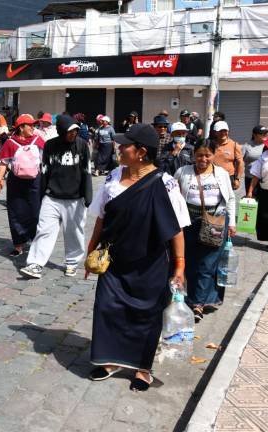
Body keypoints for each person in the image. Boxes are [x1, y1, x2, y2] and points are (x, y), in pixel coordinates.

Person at [86, 123, 190, 392]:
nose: (119, 148)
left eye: (125, 146)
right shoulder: (113, 177)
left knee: (146, 315)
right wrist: (91, 251)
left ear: (142, 152)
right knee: (107, 307)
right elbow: (101, 218)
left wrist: (180, 266)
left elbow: (177, 229)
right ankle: (110, 359)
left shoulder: (165, 184)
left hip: (150, 263)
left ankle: (143, 368)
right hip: (114, 260)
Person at [21, 115, 92, 279]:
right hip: (52, 197)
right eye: (69, 131)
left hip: (75, 198)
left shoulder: (82, 145)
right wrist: (42, 195)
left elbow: (87, 171)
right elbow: (45, 171)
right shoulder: (50, 145)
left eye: (75, 130)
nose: (73, 134)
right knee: (44, 231)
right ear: (61, 131)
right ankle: (35, 263)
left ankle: (72, 263)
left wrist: (87, 195)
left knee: (74, 232)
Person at [174, 141, 236, 321]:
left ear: (214, 155)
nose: (203, 159)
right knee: (189, 262)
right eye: (200, 155)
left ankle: (198, 304)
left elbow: (231, 198)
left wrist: (231, 223)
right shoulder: (183, 172)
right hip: (187, 222)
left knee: (207, 264)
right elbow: (173, 197)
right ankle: (188, 297)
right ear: (194, 155)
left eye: (207, 155)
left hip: (214, 222)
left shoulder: (222, 174)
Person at [0, 114, 44, 256]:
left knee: (35, 212)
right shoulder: (10, 143)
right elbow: (4, 162)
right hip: (16, 182)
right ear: (21, 128)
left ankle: (35, 240)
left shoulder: (38, 140)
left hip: (35, 181)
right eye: (30, 125)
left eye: (34, 125)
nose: (33, 128)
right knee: (15, 212)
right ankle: (18, 244)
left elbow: (46, 160)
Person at [211, 121, 243, 191]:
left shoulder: (234, 145)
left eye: (225, 131)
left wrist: (237, 179)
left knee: (227, 197)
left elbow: (240, 163)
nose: (223, 133)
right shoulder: (210, 144)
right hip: (212, 176)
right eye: (220, 131)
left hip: (228, 177)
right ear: (215, 132)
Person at [243, 125, 268, 192]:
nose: (265, 134)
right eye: (262, 133)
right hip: (250, 178)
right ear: (254, 135)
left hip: (265, 179)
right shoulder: (247, 146)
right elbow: (239, 161)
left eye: (266, 133)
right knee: (251, 197)